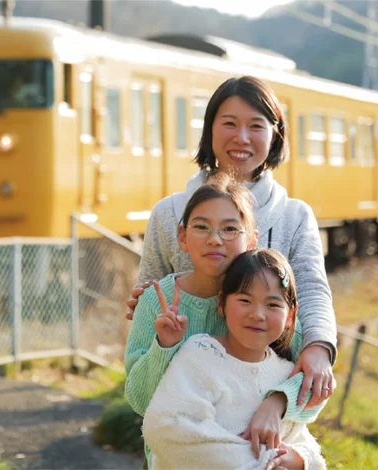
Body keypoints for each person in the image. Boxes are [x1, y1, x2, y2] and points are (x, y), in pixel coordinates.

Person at [126, 76, 337, 413]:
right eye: (228, 123)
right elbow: (152, 290)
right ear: (209, 129)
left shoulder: (295, 216)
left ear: (275, 134)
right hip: (184, 404)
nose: (242, 137)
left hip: (264, 406)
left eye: (256, 126)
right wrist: (146, 306)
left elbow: (311, 290)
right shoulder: (169, 213)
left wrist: (319, 347)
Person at [125, 175, 327, 470]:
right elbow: (140, 401)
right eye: (201, 227)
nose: (215, 239)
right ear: (182, 236)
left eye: (230, 229)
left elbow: (313, 385)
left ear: (252, 239)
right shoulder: (156, 302)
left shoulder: (266, 309)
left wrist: (277, 403)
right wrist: (164, 347)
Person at [142, 248, 326, 470]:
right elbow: (167, 426)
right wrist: (260, 464)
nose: (257, 314)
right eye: (245, 300)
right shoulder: (201, 355)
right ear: (221, 304)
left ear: (290, 316)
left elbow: (305, 445)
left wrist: (299, 460)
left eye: (272, 304)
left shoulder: (286, 375)